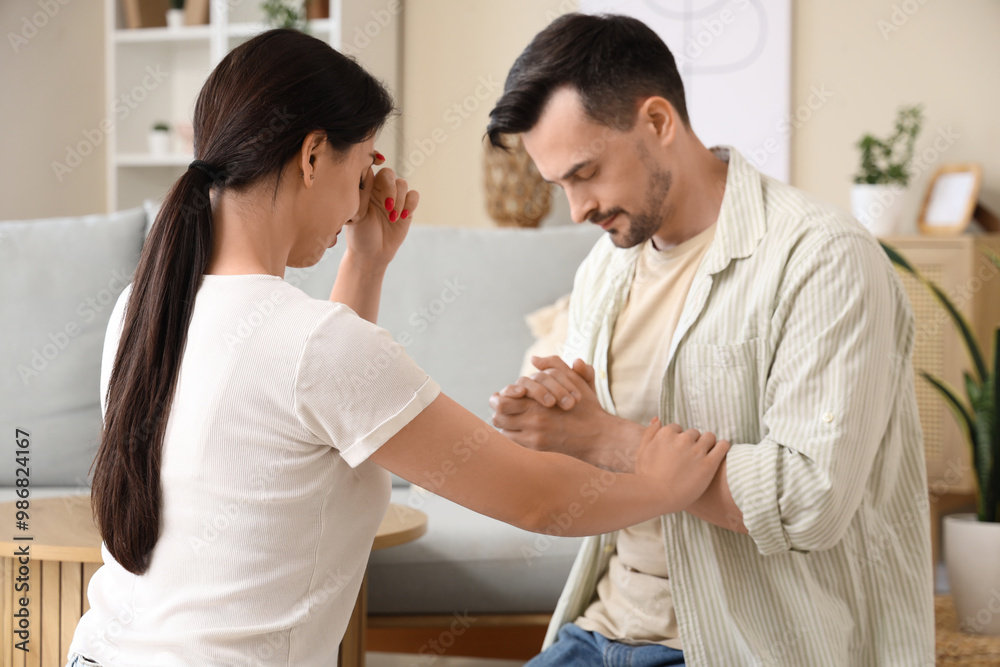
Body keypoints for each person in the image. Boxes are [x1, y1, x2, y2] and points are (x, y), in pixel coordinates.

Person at [64, 28, 732, 667]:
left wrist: (368, 261)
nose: (360, 203)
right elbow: (537, 499)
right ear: (313, 155)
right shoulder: (312, 344)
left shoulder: (143, 309)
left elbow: (312, 413)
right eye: (361, 171)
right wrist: (659, 484)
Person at [487, 13, 935, 667]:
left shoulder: (822, 257)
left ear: (659, 123)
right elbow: (590, 469)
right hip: (601, 627)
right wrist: (552, 427)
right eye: (560, 186)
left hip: (738, 644)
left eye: (585, 173)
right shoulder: (605, 267)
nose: (577, 209)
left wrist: (604, 436)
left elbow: (809, 503)